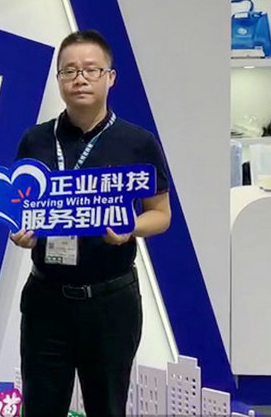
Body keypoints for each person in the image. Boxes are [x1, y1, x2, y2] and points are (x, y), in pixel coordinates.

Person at [10, 30, 172, 417]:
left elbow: (161, 214)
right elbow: (20, 209)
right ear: (58, 80)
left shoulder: (137, 142)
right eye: (69, 71)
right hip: (46, 298)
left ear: (110, 77)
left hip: (110, 301)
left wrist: (131, 229)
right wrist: (20, 233)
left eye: (90, 70)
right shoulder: (35, 140)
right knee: (41, 407)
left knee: (107, 407)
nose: (79, 79)